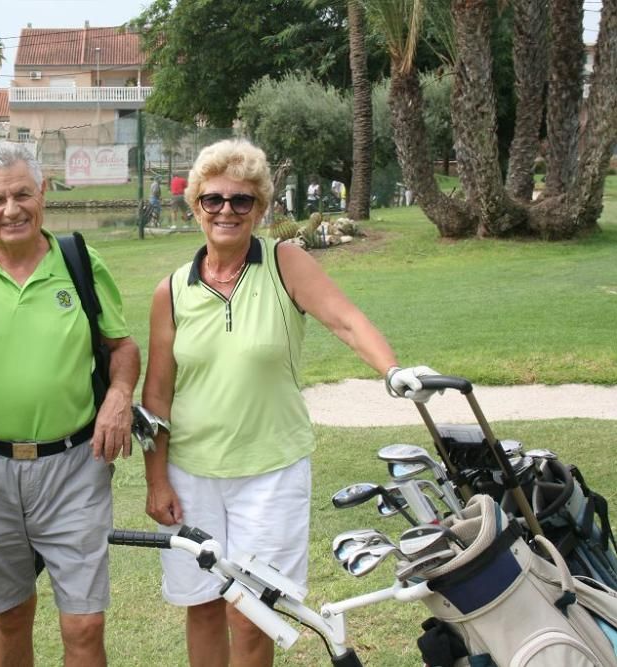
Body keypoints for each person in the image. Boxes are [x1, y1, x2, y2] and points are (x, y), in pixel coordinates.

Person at [140, 139, 438, 667]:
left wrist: (392, 370)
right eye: (213, 200)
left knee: (253, 612)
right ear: (196, 208)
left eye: (241, 201)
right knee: (203, 605)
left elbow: (345, 319)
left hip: (271, 474)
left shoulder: (284, 263)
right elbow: (157, 394)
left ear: (260, 208)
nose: (226, 211)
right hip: (191, 474)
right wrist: (156, 479)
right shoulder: (172, 290)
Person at [0, 141, 140, 667]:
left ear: (44, 192)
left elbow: (122, 348)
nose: (12, 209)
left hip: (74, 467)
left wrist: (118, 395)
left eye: (23, 193)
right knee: (12, 614)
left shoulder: (79, 261)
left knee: (85, 623)